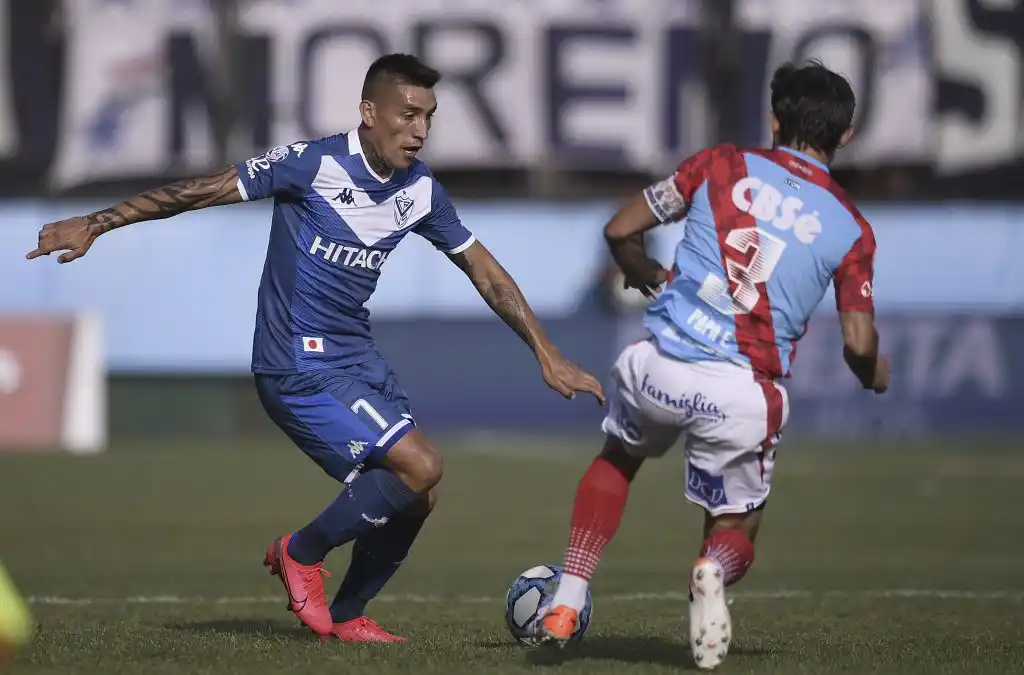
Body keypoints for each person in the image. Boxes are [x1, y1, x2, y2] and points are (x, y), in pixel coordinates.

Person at [26, 53, 605, 643]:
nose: (421, 131)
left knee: (417, 496)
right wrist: (98, 222)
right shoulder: (311, 164)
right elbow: (200, 191)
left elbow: (485, 272)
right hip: (294, 361)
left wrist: (546, 352)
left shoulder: (421, 190)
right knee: (421, 465)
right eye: (408, 115)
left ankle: (349, 616)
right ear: (368, 111)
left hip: (356, 359)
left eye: (429, 117)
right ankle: (300, 552)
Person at [533, 60, 890, 669]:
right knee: (735, 525)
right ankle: (711, 569)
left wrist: (643, 271)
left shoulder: (718, 165)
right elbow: (859, 346)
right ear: (847, 135)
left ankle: (567, 596)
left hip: (660, 365)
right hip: (743, 390)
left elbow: (621, 228)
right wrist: (873, 374)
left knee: (618, 461)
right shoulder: (852, 229)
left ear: (774, 119)